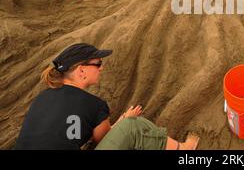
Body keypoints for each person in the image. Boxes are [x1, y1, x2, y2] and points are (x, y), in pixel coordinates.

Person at [15, 43, 200, 150]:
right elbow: (104, 140)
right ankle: (183, 149)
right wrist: (125, 120)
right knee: (133, 126)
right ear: (81, 71)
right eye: (98, 63)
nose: (101, 67)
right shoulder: (94, 105)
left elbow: (61, 132)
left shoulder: (42, 97)